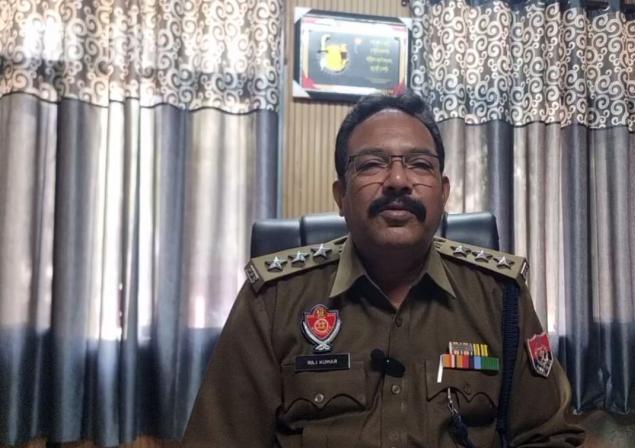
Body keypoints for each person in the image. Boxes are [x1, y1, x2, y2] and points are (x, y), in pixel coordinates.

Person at [181, 93, 584, 447]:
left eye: (419, 164)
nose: (397, 180)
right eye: (372, 164)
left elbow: (547, 437)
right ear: (341, 195)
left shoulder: (501, 297)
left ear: (444, 193)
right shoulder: (273, 300)